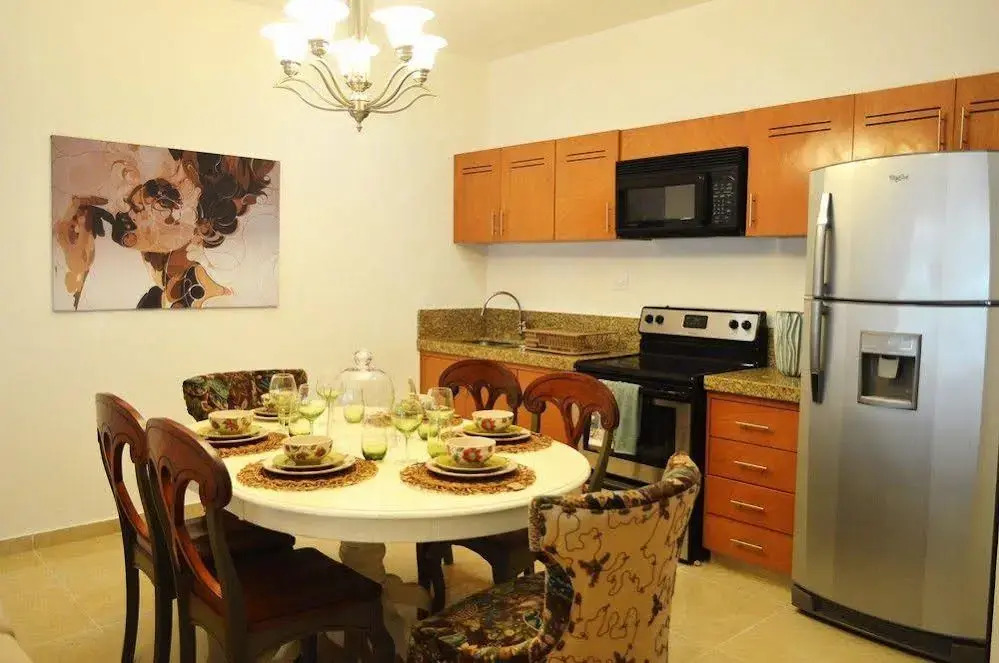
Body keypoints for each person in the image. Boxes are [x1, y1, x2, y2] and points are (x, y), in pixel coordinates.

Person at [52, 138, 276, 309]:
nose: (137, 200)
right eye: (149, 190)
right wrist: (76, 269)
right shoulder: (109, 256)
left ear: (203, 227)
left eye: (164, 199)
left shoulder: (207, 299)